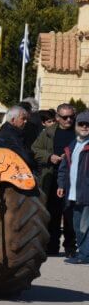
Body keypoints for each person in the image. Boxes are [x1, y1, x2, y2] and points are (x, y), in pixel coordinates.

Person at [33, 103, 77, 256]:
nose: (69, 120)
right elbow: (35, 149)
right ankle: (52, 246)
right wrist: (49, 157)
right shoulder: (48, 132)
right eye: (65, 117)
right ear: (58, 118)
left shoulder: (79, 132)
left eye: (72, 117)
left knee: (70, 214)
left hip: (72, 179)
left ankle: (71, 248)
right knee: (53, 213)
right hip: (51, 177)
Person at [56, 111, 89, 264]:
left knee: (83, 226)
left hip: (86, 193)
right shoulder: (73, 144)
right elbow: (64, 167)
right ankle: (83, 253)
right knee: (77, 225)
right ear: (76, 126)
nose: (84, 127)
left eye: (88, 125)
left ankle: (84, 255)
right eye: (81, 124)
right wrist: (61, 185)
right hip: (73, 193)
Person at [0, 106, 37, 171]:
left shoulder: (7, 128)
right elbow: (24, 155)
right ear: (13, 120)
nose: (25, 121)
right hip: (10, 170)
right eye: (23, 118)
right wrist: (35, 164)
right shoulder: (11, 134)